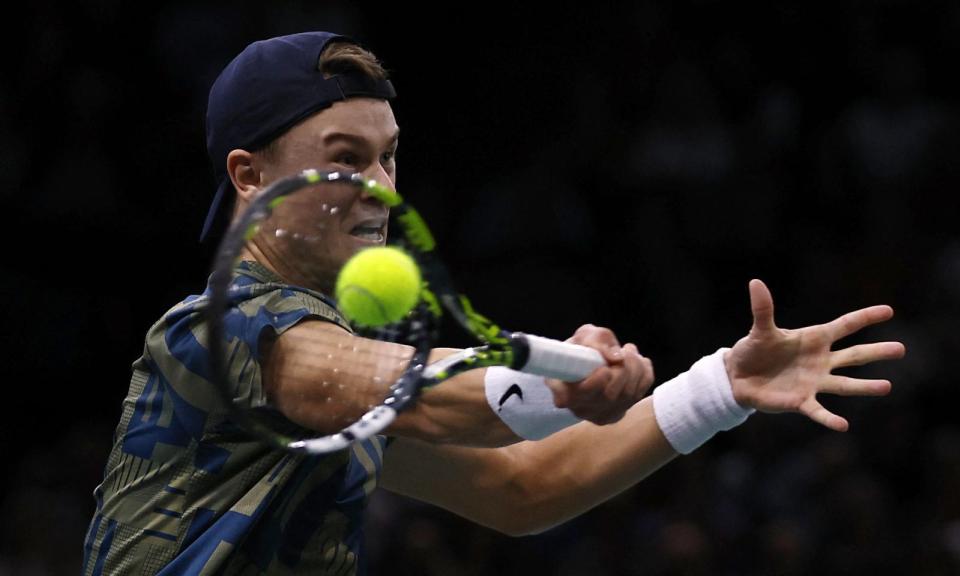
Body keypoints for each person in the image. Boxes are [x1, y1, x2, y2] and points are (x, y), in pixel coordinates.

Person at [82, 32, 905, 575]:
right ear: (249, 177)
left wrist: (719, 386)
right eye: (344, 159)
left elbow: (521, 490)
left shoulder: (326, 394)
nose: (378, 189)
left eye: (389, 158)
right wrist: (557, 380)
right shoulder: (220, 330)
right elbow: (409, 390)